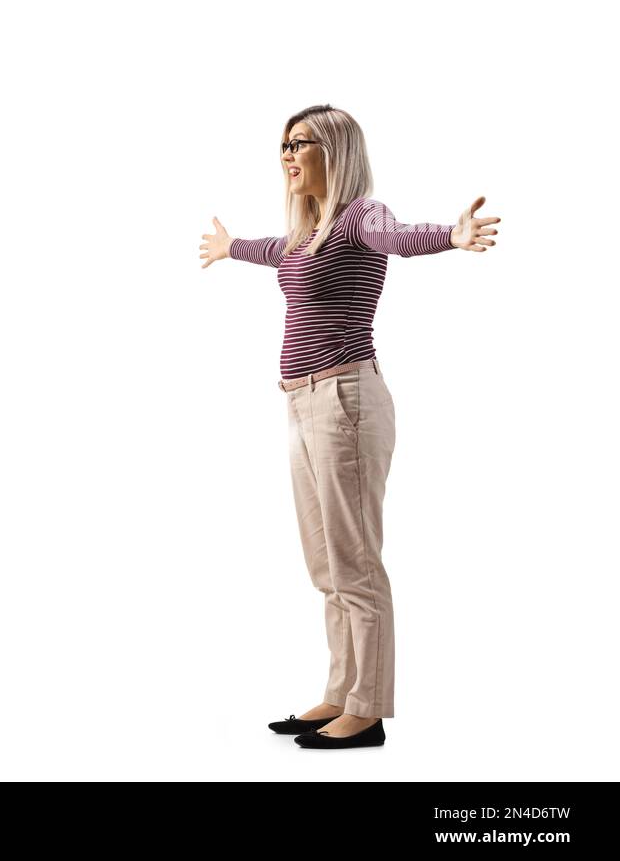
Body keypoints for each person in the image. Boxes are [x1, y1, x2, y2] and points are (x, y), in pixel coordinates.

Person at [199, 104, 499, 749]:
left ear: (334, 150)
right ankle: (339, 690)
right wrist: (231, 250)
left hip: (346, 401)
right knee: (327, 562)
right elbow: (273, 250)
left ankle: (368, 709)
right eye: (282, 143)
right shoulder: (310, 233)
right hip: (303, 403)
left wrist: (452, 234)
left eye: (300, 143)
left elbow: (398, 239)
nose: (287, 155)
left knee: (357, 563)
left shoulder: (363, 215)